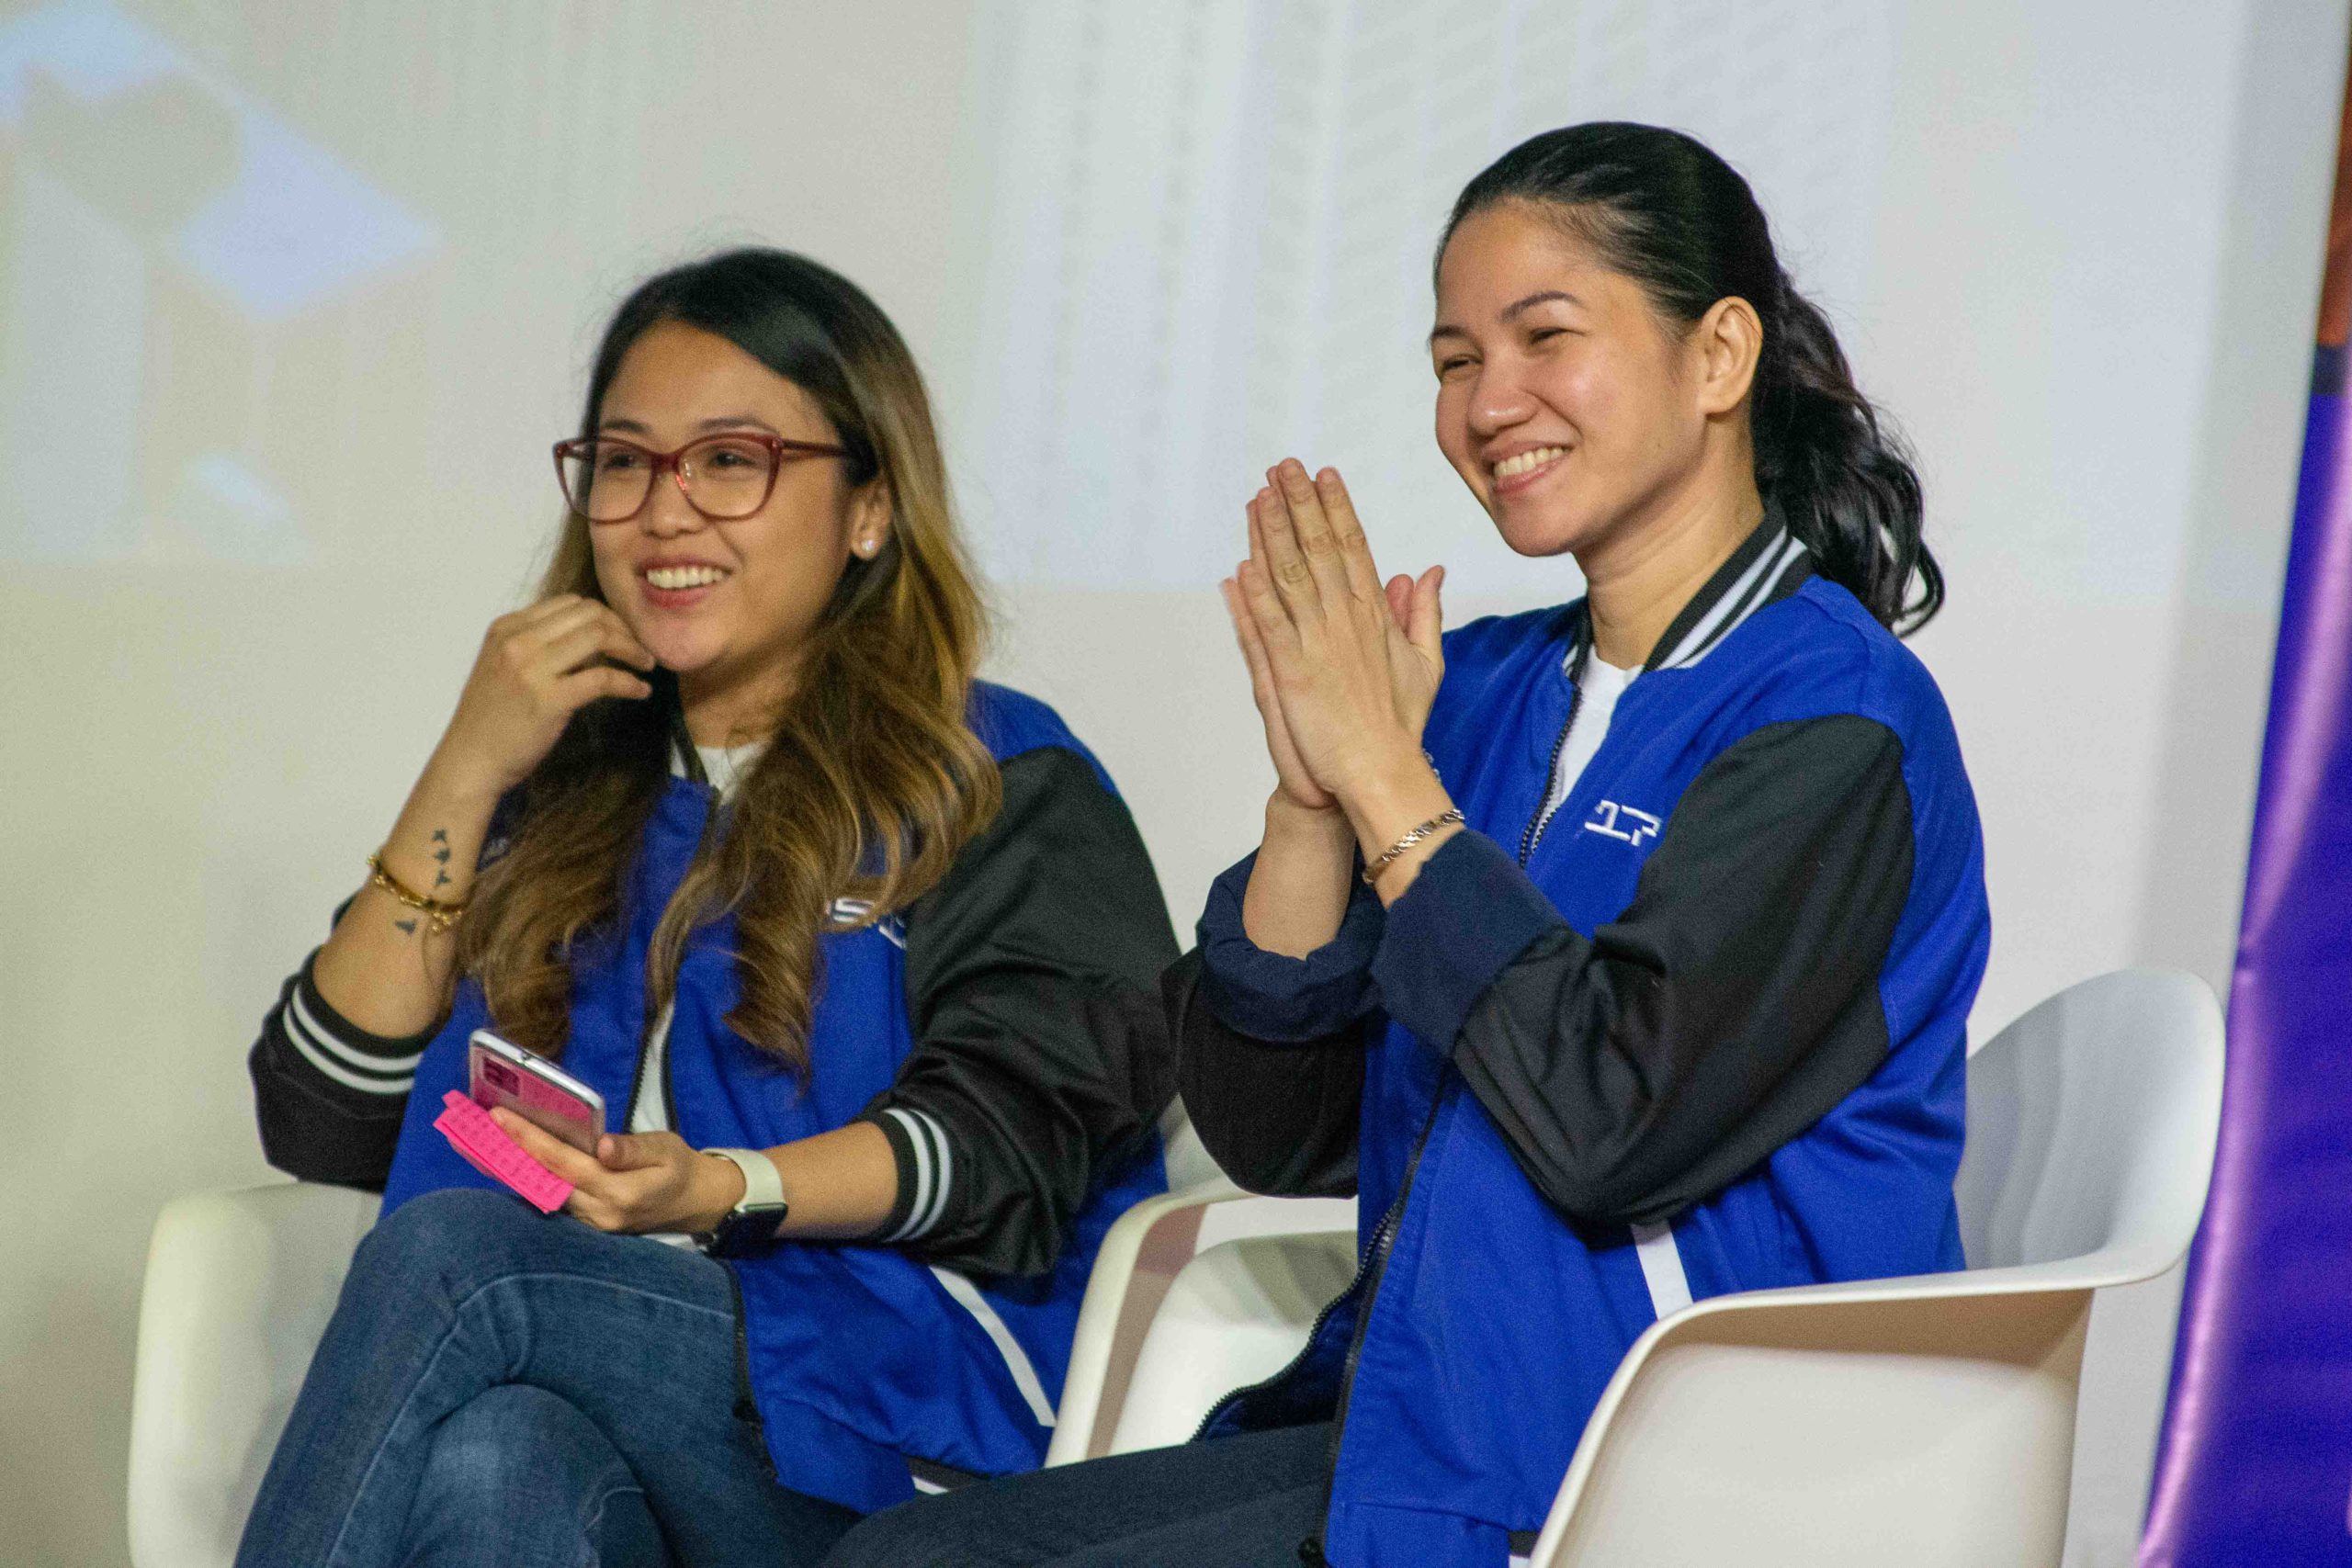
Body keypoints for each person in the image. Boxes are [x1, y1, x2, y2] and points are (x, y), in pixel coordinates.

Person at [824, 121, 1990, 1568]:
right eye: (1453, 361)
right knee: (897, 1560)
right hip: (1424, 1423)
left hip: (1655, 1472)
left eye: (1542, 337)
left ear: (1719, 357)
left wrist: (1386, 774)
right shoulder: (1490, 685)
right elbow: (1282, 1130)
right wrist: (1313, 803)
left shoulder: (1835, 718)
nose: (1489, 403)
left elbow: (1608, 1123)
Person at [234, 247, 1179, 1568]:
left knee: (468, 1258)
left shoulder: (995, 780)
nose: (664, 512)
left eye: (730, 460)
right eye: (625, 462)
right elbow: (328, 1114)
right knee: (496, 1464)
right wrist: (467, 762)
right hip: (594, 1408)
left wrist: (727, 1189)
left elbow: (1018, 1138)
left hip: (883, 1432)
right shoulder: (554, 784)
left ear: (869, 507)